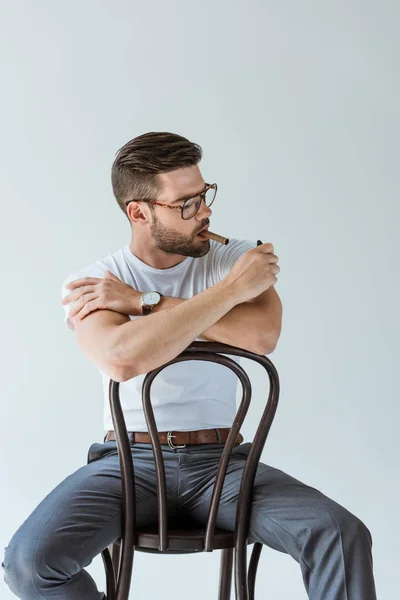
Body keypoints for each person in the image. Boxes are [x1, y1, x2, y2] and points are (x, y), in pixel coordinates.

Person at [2, 131, 377, 599]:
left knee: (341, 534)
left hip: (224, 465)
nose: (204, 212)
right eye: (185, 204)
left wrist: (143, 303)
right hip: (126, 463)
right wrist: (229, 295)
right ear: (139, 212)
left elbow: (262, 337)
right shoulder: (95, 281)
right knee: (28, 562)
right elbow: (121, 358)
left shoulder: (235, 257)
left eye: (204, 195)